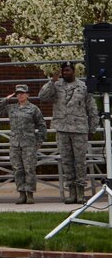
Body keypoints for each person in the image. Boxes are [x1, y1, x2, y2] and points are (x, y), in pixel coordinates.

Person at [38, 63, 98, 202]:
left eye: (68, 70)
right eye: (63, 70)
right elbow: (42, 97)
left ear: (73, 71)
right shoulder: (56, 85)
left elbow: (92, 109)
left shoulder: (83, 87)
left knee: (80, 162)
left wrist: (92, 128)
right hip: (62, 129)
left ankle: (81, 192)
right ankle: (71, 192)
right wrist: (52, 81)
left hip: (79, 129)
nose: (65, 73)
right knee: (66, 161)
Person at [4, 83, 46, 204]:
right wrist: (6, 99)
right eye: (18, 93)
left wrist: (38, 141)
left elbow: (42, 126)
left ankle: (30, 193)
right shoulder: (11, 107)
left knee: (29, 169)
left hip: (29, 143)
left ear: (27, 94)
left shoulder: (33, 109)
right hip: (15, 143)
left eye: (22, 93)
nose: (20, 95)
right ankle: (21, 193)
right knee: (18, 169)